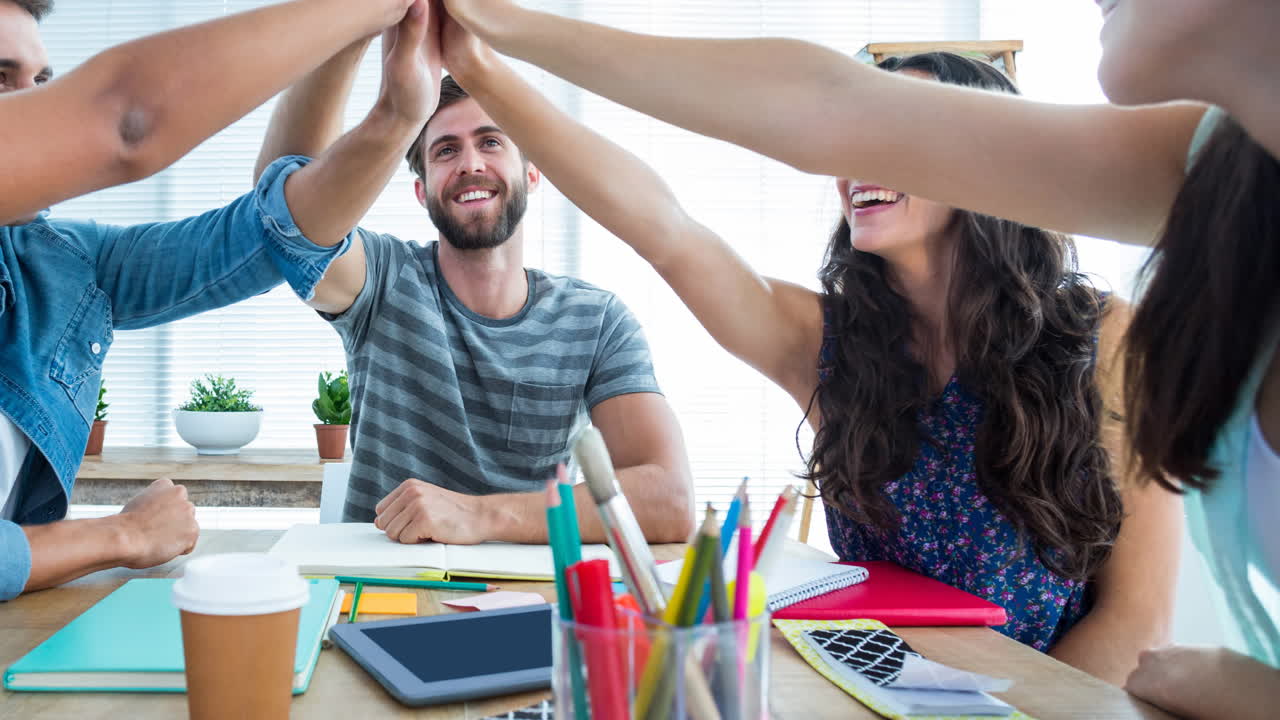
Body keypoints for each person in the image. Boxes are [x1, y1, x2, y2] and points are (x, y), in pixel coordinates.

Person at [440, 1, 1280, 715]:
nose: (853, 164)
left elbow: (1135, 622)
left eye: (899, 137)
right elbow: (665, 228)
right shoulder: (825, 344)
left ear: (990, 167)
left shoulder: (1107, 338)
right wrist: (484, 68)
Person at [0, 0, 432, 602]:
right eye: (2, 81)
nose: (38, 110)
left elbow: (273, 232)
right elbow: (128, 121)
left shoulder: (54, 261)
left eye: (43, 84)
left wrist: (394, 113)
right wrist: (120, 535)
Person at [250, 52, 694, 546]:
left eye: (491, 142)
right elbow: (282, 217)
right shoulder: (382, 278)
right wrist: (347, 33)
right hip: (379, 582)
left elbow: (669, 500)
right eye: (446, 151)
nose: (471, 164)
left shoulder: (597, 321)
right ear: (422, 192)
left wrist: (480, 516)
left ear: (531, 174)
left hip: (528, 586)